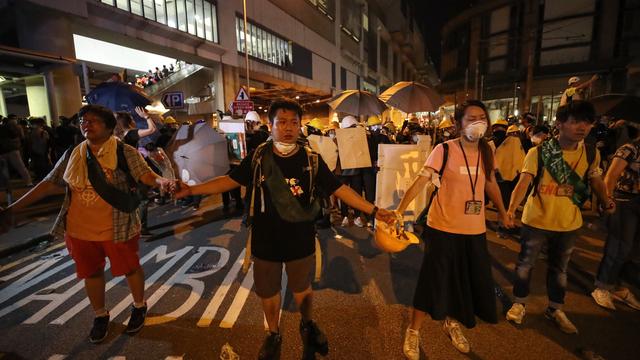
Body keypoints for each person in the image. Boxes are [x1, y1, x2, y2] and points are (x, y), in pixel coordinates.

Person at [174, 99, 395, 360]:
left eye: (294, 122)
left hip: (300, 239)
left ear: (300, 126)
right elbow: (228, 181)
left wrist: (374, 210)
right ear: (271, 125)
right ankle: (273, 333)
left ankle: (307, 325)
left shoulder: (311, 159)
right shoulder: (258, 157)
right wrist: (192, 190)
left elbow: (340, 188)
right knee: (268, 291)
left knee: (302, 287)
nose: (288, 128)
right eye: (282, 122)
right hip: (265, 240)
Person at [0, 104, 175, 343]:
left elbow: (145, 175)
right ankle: (100, 315)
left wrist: (161, 181)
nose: (86, 125)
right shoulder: (74, 153)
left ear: (109, 127)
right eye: (83, 120)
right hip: (79, 229)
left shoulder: (125, 152)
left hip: (118, 226)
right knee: (91, 274)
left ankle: (138, 305)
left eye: (93, 121)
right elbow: (50, 183)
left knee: (130, 268)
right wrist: (13, 209)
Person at [397, 100, 513, 358]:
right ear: (459, 123)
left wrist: (504, 213)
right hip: (443, 226)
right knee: (433, 280)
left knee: (462, 279)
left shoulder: (487, 150)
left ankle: (452, 323)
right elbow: (421, 180)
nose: (477, 122)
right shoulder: (444, 149)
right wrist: (399, 209)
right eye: (471, 118)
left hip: (474, 229)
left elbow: (491, 183)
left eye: (481, 117)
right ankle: (414, 331)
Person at [505, 100, 615, 334]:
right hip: (536, 220)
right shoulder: (539, 152)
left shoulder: (590, 153)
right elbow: (524, 182)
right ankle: (519, 303)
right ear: (560, 124)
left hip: (569, 223)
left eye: (587, 122)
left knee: (560, 270)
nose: (582, 127)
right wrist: (511, 209)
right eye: (575, 122)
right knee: (525, 265)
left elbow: (596, 180)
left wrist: (606, 201)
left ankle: (555, 309)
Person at [591, 135, 640, 310]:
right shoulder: (630, 149)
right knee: (619, 246)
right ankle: (602, 286)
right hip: (624, 203)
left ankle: (619, 286)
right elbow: (611, 176)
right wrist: (607, 200)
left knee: (633, 252)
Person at [114, 108, 158, 235]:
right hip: (134, 171)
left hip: (122, 171)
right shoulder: (131, 134)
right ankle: (141, 228)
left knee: (132, 200)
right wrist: (146, 117)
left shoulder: (116, 136)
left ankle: (130, 226)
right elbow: (152, 130)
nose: (134, 120)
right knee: (142, 200)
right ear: (128, 122)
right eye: (132, 119)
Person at [0, 114, 32, 186]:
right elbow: (21, 137)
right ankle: (28, 182)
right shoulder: (15, 127)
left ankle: (5, 184)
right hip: (13, 149)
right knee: (20, 166)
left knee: (4, 168)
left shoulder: (4, 127)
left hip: (4, 151)